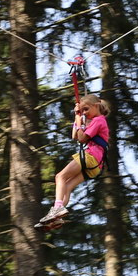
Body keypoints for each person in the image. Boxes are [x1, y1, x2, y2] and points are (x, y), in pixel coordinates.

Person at [37, 93, 110, 227]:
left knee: (60, 177)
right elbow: (74, 135)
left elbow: (82, 138)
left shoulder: (99, 120)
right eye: (82, 110)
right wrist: (78, 117)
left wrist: (79, 118)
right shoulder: (92, 121)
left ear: (96, 106)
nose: (84, 113)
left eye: (86, 109)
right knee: (68, 186)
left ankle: (57, 208)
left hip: (90, 157)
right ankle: (57, 217)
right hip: (96, 164)